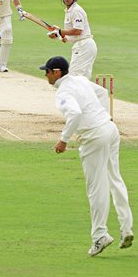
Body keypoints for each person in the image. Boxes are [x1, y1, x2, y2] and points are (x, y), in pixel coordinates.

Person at [40, 56, 133, 256]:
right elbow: (102, 92)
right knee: (114, 178)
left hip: (94, 136)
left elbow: (75, 113)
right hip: (110, 129)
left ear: (56, 72)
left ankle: (100, 235)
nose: (45, 75)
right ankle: (126, 228)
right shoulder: (79, 79)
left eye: (46, 71)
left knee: (96, 187)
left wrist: (64, 139)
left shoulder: (63, 91)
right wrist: (104, 115)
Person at [47, 0, 97, 79]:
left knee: (74, 76)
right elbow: (67, 36)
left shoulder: (76, 10)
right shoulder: (69, 11)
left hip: (83, 46)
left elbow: (78, 31)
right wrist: (58, 35)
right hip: (84, 45)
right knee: (83, 78)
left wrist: (60, 31)